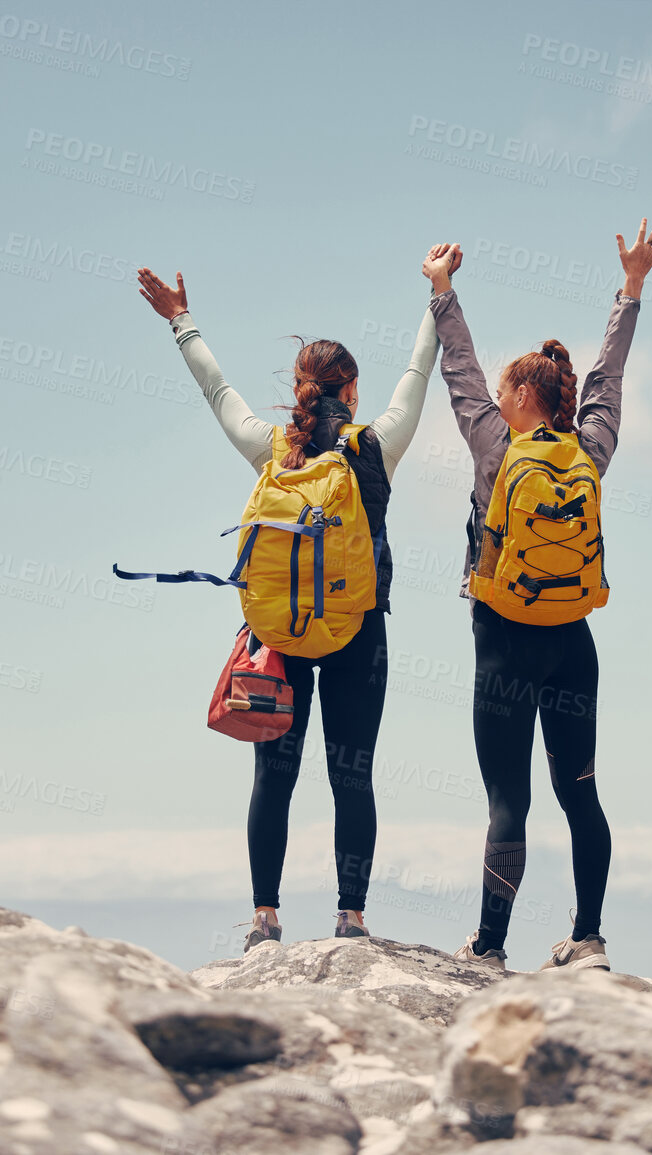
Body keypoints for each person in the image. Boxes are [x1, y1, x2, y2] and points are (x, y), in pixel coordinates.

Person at [135, 264, 441, 952]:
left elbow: (217, 390)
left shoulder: (272, 451)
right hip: (358, 630)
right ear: (353, 391)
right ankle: (350, 918)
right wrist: (438, 300)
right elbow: (418, 379)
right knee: (351, 774)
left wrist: (180, 319)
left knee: (273, 775)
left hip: (274, 632)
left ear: (296, 390)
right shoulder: (373, 448)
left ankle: (264, 919)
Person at [420, 221, 652, 972]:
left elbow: (455, 366)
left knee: (508, 799)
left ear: (520, 396)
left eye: (501, 392)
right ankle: (587, 937)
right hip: (572, 645)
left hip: (502, 639)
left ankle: (490, 946)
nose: (489, 397)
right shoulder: (589, 447)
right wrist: (630, 288)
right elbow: (607, 379)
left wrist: (441, 290)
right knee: (580, 790)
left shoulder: (494, 447)